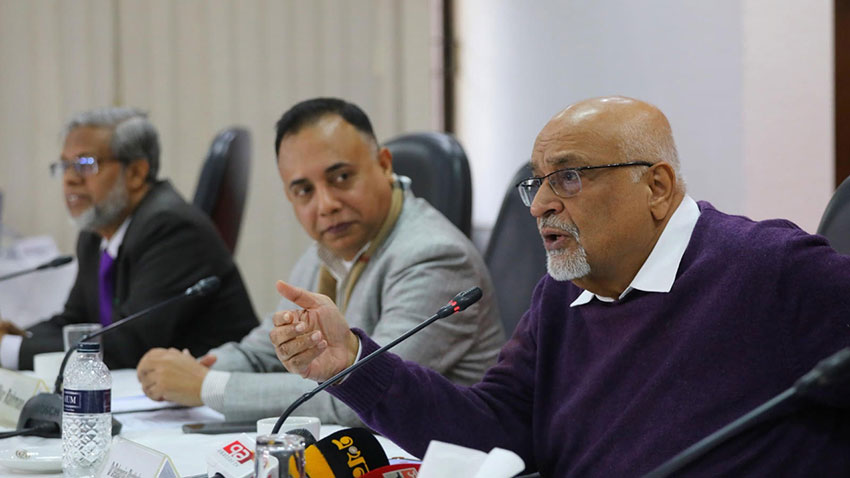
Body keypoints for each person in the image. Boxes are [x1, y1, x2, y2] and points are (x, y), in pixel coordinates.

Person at [270, 96, 850, 476]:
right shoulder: (565, 292)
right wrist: (354, 363)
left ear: (656, 187)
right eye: (537, 183)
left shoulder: (771, 270)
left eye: (569, 177)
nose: (541, 204)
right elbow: (493, 430)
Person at [136, 98, 504, 426]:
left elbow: (365, 392)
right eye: (304, 191)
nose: (326, 205)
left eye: (341, 177)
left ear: (384, 165)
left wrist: (207, 387)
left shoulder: (435, 257)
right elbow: (265, 350)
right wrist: (193, 369)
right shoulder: (328, 250)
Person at [0, 107, 257, 370]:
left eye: (85, 164)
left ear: (135, 173)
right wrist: (20, 336)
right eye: (65, 165)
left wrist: (9, 350)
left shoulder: (172, 228)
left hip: (216, 385)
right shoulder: (95, 233)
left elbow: (129, 345)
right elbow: (76, 320)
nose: (70, 179)